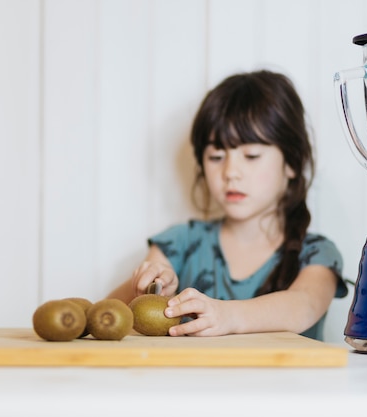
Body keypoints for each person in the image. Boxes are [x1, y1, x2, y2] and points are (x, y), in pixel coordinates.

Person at [108, 70, 347, 341]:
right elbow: (108, 314)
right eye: (216, 156)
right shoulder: (180, 243)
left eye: (251, 155)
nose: (231, 172)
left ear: (292, 162)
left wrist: (228, 316)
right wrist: (146, 285)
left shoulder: (317, 254)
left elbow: (304, 306)